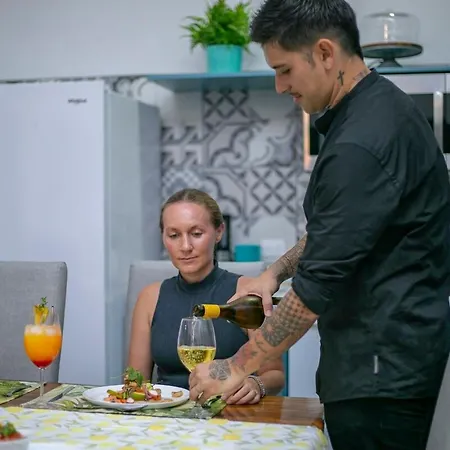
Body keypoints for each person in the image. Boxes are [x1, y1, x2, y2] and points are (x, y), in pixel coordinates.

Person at [188, 0, 450, 448]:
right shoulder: (375, 111)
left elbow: (313, 292)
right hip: (383, 367)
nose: (280, 86)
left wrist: (235, 366)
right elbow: (338, 230)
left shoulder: (361, 141)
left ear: (326, 53)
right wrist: (274, 273)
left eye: (285, 70)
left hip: (380, 376)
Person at [127, 188, 285, 405]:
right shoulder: (149, 297)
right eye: (174, 235)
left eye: (196, 234)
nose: (185, 246)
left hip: (231, 412)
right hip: (165, 416)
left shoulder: (248, 294)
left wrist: (256, 383)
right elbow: (135, 383)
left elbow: (275, 375)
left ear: (219, 232)